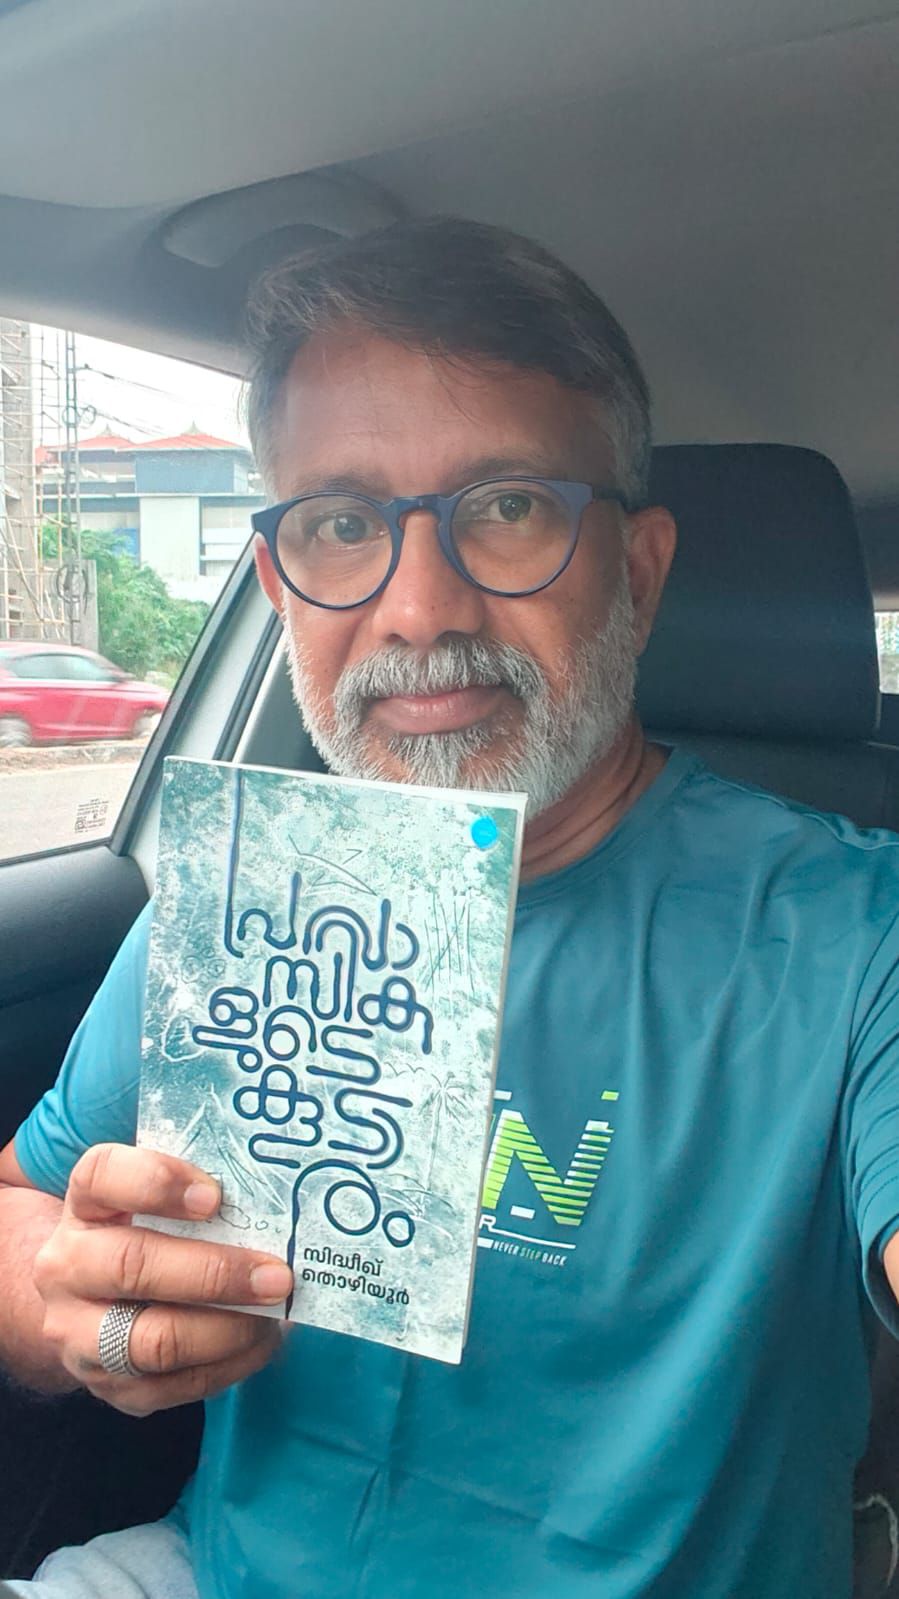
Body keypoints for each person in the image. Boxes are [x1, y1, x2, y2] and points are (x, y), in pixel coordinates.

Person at [1, 216, 898, 1599]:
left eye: (508, 506)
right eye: (342, 524)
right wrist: (68, 1297)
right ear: (280, 584)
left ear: (639, 570)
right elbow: (22, 1206)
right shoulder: (241, 901)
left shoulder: (855, 929)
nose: (421, 609)